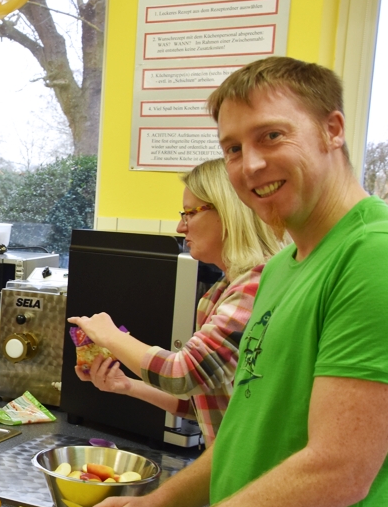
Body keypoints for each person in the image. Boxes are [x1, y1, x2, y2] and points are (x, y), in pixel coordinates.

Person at [86, 57, 388, 507]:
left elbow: (337, 472)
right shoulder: (287, 264)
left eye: (271, 136)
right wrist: (159, 506)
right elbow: (249, 435)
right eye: (232, 148)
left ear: (332, 129)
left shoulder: (378, 258)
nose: (250, 166)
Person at [68, 158, 282, 447]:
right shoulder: (216, 295)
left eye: (189, 213)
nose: (180, 227)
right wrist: (128, 386)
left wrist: (110, 336)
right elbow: (202, 403)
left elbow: (183, 373)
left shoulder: (258, 287)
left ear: (228, 213)